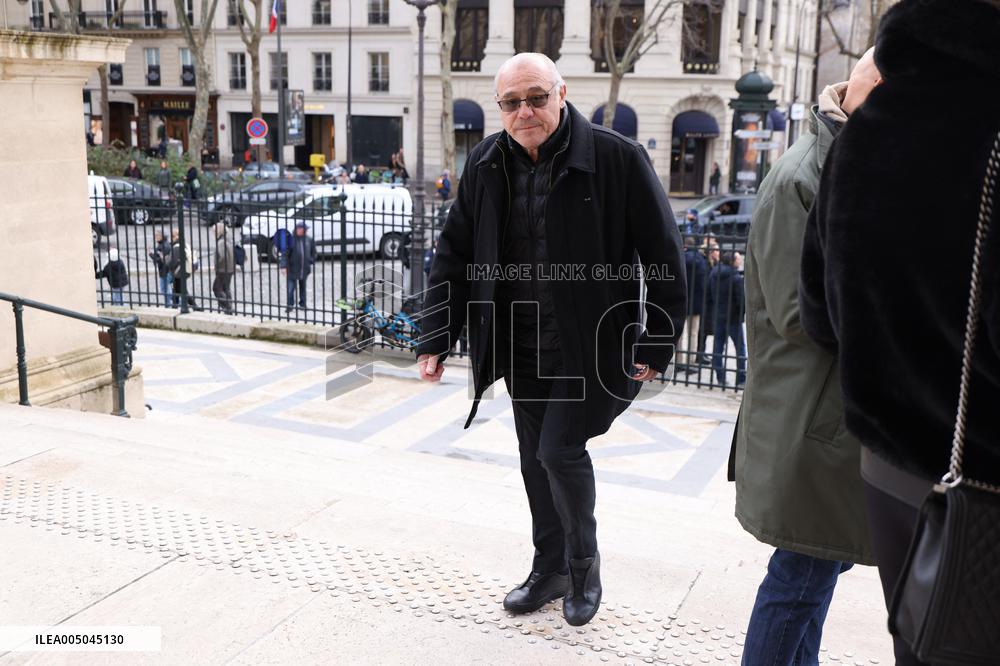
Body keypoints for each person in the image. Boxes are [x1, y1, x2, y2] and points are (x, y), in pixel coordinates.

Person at [415, 52, 686, 627]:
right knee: (533, 462)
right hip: (519, 345)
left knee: (558, 452)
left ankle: (584, 569)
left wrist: (654, 342)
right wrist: (435, 334)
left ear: (561, 93)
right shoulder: (486, 163)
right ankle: (549, 568)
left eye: (536, 97)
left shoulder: (616, 158)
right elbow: (454, 254)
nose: (525, 111)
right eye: (511, 102)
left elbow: (663, 254)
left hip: (588, 349)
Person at [798, 1, 1000, 663]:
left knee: (922, 640)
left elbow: (822, 316)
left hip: (889, 469)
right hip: (985, 483)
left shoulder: (864, 132)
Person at [733, 50, 882, 665]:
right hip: (811, 424)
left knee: (812, 578)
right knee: (799, 578)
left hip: (832, 422)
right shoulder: (805, 174)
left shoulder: (858, 164)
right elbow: (797, 313)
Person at [707, 250, 745, 387]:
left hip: (718, 315)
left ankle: (720, 377)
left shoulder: (713, 274)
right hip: (733, 318)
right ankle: (741, 378)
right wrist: (742, 313)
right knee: (740, 348)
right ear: (732, 261)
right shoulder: (736, 278)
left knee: (718, 347)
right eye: (738, 259)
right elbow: (741, 300)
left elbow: (710, 295)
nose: (740, 261)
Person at [678, 235, 708, 374]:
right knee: (693, 334)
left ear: (685, 246)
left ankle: (678, 362)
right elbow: (704, 284)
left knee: (679, 333)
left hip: (681, 301)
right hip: (696, 303)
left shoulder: (680, 258)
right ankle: (690, 363)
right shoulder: (701, 260)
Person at [281, 221, 316, 312]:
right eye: (303, 229)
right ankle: (290, 305)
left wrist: (310, 261)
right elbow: (285, 254)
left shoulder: (309, 239)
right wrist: (283, 266)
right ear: (298, 229)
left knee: (303, 288)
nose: (305, 231)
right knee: (290, 288)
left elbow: (314, 253)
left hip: (304, 269)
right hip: (292, 269)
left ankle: (303, 304)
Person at [168, 229, 200, 310]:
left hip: (178, 272)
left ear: (178, 236)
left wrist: (165, 261)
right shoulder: (185, 244)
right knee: (177, 290)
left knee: (181, 291)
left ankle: (195, 307)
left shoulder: (176, 247)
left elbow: (171, 262)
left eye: (173, 236)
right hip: (185, 271)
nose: (171, 238)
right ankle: (175, 307)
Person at [213, 222, 236, 315]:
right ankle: (228, 307)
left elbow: (222, 256)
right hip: (230, 268)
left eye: (214, 231)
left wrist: (217, 264)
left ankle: (227, 306)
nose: (213, 233)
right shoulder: (228, 238)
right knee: (226, 288)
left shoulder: (221, 242)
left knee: (216, 288)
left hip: (223, 269)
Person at [149, 230, 173, 306]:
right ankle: (170, 303)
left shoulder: (163, 246)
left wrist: (151, 254)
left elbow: (161, 260)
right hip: (164, 270)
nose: (155, 237)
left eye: (157, 235)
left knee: (165, 289)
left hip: (165, 270)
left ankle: (171, 303)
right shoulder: (162, 245)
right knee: (165, 289)